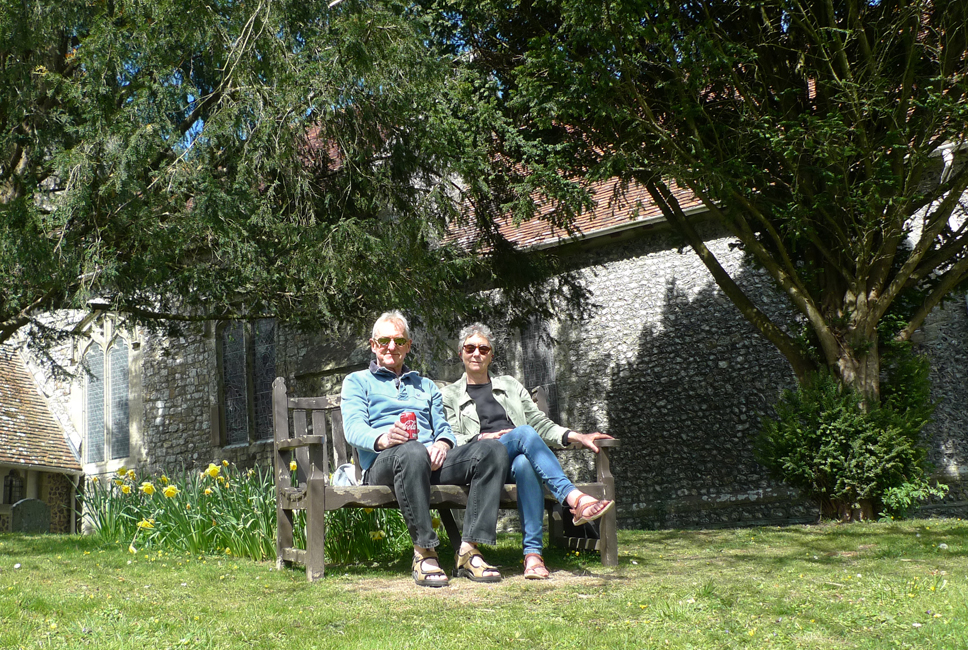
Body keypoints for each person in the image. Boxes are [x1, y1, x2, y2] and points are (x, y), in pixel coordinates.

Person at [341, 311, 509, 587]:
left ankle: (468, 551)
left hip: (430, 462)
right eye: (384, 341)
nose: (391, 347)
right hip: (385, 463)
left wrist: (443, 444)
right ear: (373, 345)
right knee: (411, 450)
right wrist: (385, 438)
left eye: (399, 341)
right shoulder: (357, 382)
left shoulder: (426, 385)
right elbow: (354, 429)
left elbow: (443, 427)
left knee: (492, 450)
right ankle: (424, 552)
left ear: (408, 346)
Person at [441, 323, 614, 580]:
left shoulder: (509, 385)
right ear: (461, 354)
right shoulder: (449, 395)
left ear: (491, 354)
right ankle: (574, 500)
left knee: (524, 460)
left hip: (516, 455)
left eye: (483, 348)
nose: (476, 353)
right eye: (470, 348)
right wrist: (480, 437)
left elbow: (538, 422)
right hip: (481, 462)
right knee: (522, 434)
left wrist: (574, 435)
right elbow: (450, 437)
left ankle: (533, 556)